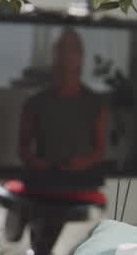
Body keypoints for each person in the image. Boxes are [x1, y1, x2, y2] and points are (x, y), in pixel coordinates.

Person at [17, 28, 110, 171]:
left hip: (82, 183)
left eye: (72, 49)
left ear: (81, 56)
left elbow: (100, 151)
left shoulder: (96, 104)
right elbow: (23, 148)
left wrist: (82, 164)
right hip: (43, 183)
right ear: (55, 55)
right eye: (61, 49)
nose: (67, 55)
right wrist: (41, 166)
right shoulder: (35, 103)